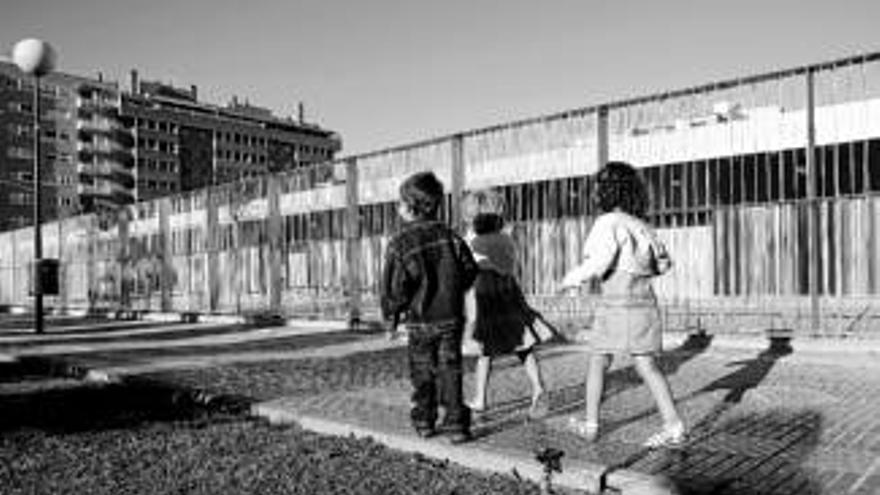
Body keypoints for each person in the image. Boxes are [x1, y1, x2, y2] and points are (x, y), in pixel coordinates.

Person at [560, 161, 686, 448]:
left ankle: (591, 424)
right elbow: (663, 263)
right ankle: (673, 424)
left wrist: (573, 278)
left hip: (615, 306)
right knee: (647, 365)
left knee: (598, 360)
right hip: (644, 305)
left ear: (606, 192)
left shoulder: (608, 223)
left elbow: (600, 260)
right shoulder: (641, 226)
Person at [381, 171, 479, 444]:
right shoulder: (451, 236)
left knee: (422, 371)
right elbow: (470, 270)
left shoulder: (400, 243)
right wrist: (454, 289)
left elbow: (395, 288)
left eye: (400, 202)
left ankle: (424, 421)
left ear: (412, 205)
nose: (398, 208)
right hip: (450, 316)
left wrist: (391, 319)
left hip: (420, 320)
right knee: (451, 369)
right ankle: (457, 425)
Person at [461, 189, 549, 419]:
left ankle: (480, 399)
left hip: (486, 295)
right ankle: (538, 387)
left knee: (485, 350)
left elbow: (469, 268)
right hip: (509, 292)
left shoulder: (473, 238)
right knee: (523, 345)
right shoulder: (505, 236)